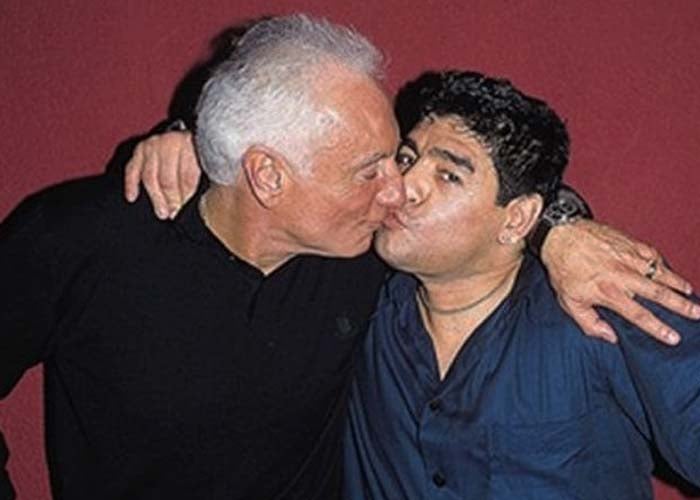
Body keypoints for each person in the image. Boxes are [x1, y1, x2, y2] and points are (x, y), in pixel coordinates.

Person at [0, 14, 696, 500]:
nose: (397, 190)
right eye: (379, 167)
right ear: (268, 175)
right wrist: (190, 132)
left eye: (406, 162)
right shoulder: (80, 239)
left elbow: (493, 222)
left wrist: (562, 227)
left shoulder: (376, 263)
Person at [343, 70, 700, 499]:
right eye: (407, 158)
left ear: (517, 218)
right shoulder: (354, 301)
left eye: (448, 175)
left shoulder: (598, 304)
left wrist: (559, 228)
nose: (405, 187)